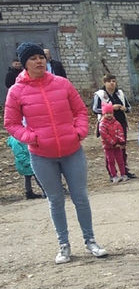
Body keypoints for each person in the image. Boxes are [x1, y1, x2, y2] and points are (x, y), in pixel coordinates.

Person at [4, 42, 108, 264]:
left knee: (80, 197)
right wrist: (31, 137)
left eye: (41, 57)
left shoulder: (62, 84)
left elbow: (80, 110)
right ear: (24, 64)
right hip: (42, 155)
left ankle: (90, 241)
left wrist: (79, 131)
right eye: (33, 58)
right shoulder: (16, 91)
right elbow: (11, 124)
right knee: (55, 199)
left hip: (72, 151)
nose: (39, 61)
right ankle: (64, 245)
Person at [92, 73, 134, 179]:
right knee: (109, 149)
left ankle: (124, 171)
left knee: (122, 147)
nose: (112, 83)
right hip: (106, 125)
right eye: (109, 81)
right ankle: (112, 173)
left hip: (120, 123)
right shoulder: (100, 94)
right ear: (105, 83)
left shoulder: (119, 93)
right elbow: (95, 109)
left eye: (114, 81)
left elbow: (129, 107)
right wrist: (110, 108)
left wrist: (125, 109)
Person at [7, 135, 44, 199]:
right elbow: (19, 153)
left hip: (25, 162)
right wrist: (28, 162)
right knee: (37, 176)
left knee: (28, 178)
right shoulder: (15, 141)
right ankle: (45, 191)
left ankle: (29, 193)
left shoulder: (18, 138)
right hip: (25, 163)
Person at [98, 103, 127, 183]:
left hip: (118, 146)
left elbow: (120, 132)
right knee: (111, 161)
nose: (109, 115)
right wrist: (113, 143)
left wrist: (121, 142)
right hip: (108, 146)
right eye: (107, 113)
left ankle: (123, 174)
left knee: (120, 160)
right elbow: (105, 136)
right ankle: (114, 175)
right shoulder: (102, 124)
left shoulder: (116, 123)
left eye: (110, 113)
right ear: (104, 114)